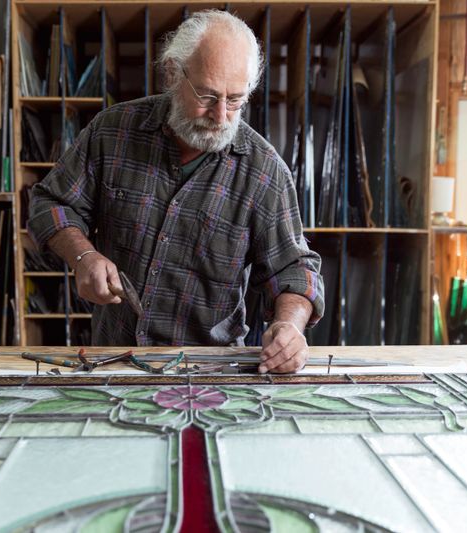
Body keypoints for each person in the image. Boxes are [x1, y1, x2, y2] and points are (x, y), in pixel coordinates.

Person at [28, 10, 324, 373]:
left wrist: (289, 327)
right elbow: (50, 202)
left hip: (211, 369)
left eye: (235, 101)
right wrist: (83, 256)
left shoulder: (264, 171)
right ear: (172, 72)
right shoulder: (113, 132)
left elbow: (295, 268)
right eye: (208, 95)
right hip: (114, 359)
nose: (220, 117)